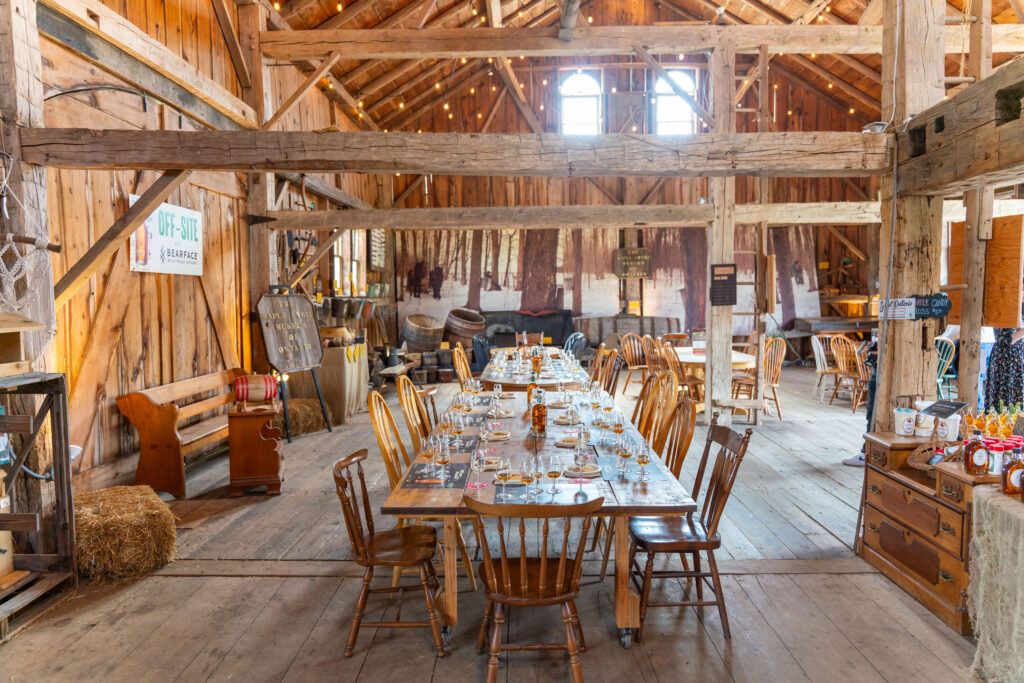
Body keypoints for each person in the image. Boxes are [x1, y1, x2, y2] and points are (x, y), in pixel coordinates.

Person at [984, 328, 1024, 411]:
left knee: (1019, 398)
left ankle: (1019, 423)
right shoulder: (1002, 316)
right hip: (1005, 359)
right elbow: (1008, 338)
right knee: (1004, 399)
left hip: (1018, 356)